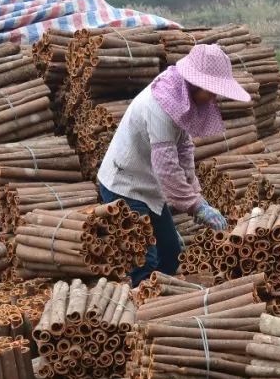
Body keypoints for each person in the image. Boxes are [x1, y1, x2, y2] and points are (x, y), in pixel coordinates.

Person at [97, 43, 249, 284]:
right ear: (196, 84)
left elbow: (185, 149)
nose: (214, 97)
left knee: (171, 255)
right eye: (211, 91)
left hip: (148, 185)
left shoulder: (180, 95)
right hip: (124, 184)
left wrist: (197, 195)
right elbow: (167, 167)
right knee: (144, 263)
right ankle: (145, 313)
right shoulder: (161, 104)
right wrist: (194, 206)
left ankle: (162, 307)